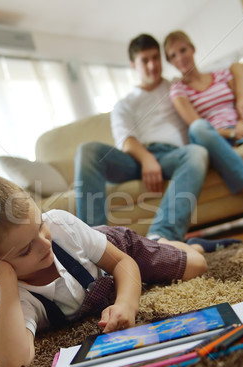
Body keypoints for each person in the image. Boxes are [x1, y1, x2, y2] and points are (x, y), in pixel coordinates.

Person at [0, 173, 208, 367]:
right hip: (92, 273)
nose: (44, 244)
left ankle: (162, 240)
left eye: (40, 226)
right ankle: (160, 240)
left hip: (115, 248)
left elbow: (123, 263)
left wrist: (126, 304)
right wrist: (5, 280)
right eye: (24, 251)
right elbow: (11, 364)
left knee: (197, 265)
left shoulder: (61, 226)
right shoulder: (12, 294)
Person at [75, 33, 210, 242]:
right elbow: (125, 140)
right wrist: (147, 159)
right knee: (88, 150)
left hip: (173, 155)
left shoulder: (177, 87)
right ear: (133, 65)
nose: (152, 65)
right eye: (144, 60)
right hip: (135, 161)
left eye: (155, 58)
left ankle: (161, 236)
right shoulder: (124, 104)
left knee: (197, 153)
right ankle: (95, 243)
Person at [163, 30, 243, 233]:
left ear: (192, 48)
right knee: (198, 128)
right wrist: (231, 133)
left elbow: (239, 99)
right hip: (213, 138)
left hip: (241, 127)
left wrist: (241, 123)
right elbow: (195, 123)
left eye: (183, 50)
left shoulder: (219, 75)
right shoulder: (178, 90)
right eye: (173, 55)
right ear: (170, 61)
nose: (180, 57)